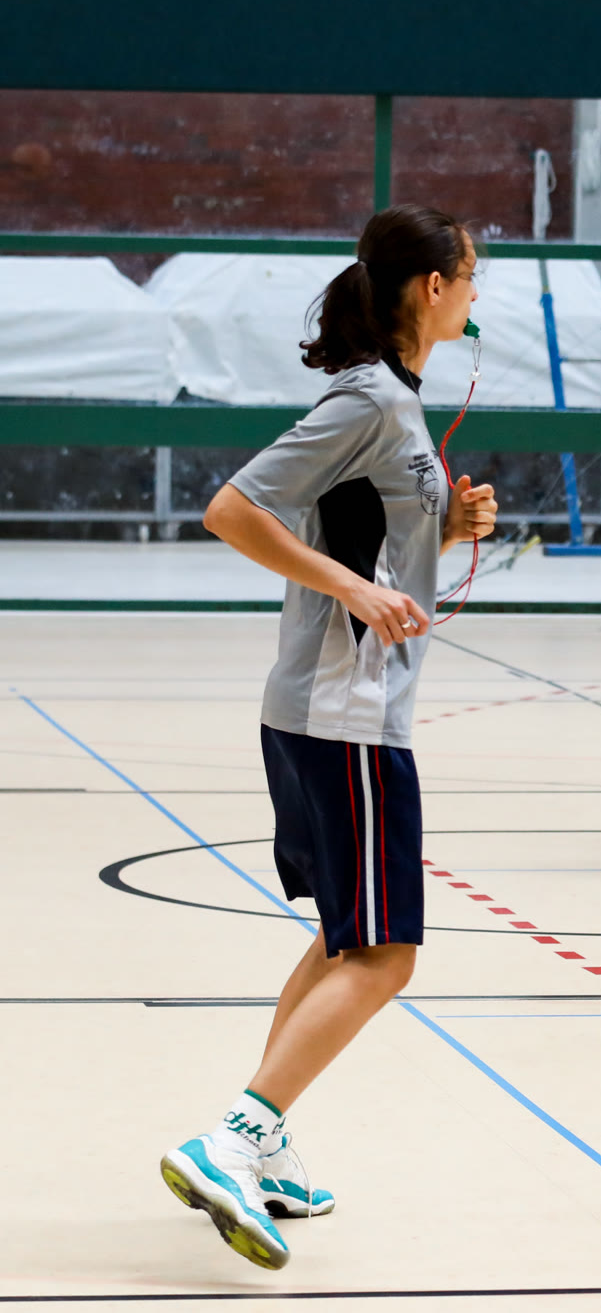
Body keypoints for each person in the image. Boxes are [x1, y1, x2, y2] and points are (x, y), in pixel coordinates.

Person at [162, 205, 499, 1269]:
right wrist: (355, 587)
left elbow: (363, 525)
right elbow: (233, 510)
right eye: (470, 275)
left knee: (345, 941)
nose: (476, 291)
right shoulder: (368, 400)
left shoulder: (394, 401)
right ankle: (234, 1138)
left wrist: (446, 524)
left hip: (335, 712)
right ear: (432, 287)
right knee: (387, 953)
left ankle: (259, 1144)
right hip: (343, 716)